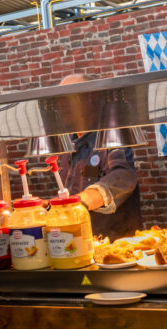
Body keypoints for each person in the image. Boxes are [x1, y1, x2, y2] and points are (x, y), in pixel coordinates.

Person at [57, 74, 143, 240]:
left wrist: (84, 199)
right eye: (60, 100)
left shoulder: (110, 136)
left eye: (69, 98)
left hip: (117, 244)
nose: (63, 105)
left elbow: (123, 175)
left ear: (90, 98)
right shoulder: (68, 146)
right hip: (79, 242)